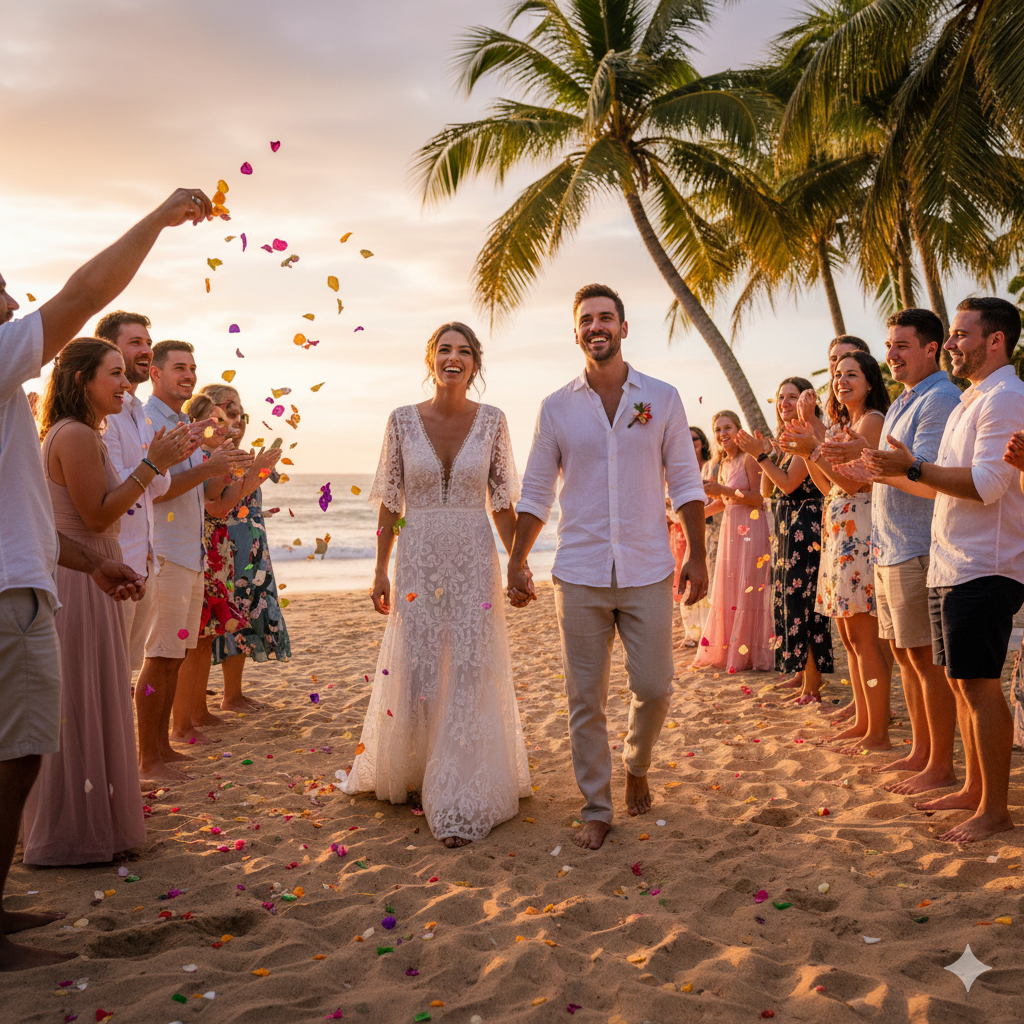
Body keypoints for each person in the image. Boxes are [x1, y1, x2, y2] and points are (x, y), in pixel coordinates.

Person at [0, 186, 212, 971]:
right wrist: (157, 219)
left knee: (35, 736)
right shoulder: (67, 428)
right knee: (30, 741)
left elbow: (51, 521)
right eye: (120, 370)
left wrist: (97, 560)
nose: (14, 299)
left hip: (54, 576)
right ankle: (35, 868)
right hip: (25, 592)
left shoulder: (51, 425)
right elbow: (83, 295)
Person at [508, 284, 708, 852]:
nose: (597, 327)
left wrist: (697, 552)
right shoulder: (556, 407)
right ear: (576, 333)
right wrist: (518, 559)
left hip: (649, 567)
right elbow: (537, 491)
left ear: (623, 327)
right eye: (586, 320)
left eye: (606, 318)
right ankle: (597, 805)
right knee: (584, 698)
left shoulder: (663, 399)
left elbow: (686, 481)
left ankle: (636, 762)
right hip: (580, 570)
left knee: (655, 687)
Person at [341, 322, 531, 848]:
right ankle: (415, 769)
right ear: (431, 359)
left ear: (475, 364)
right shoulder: (401, 420)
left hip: (473, 555)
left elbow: (500, 503)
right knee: (419, 663)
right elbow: (390, 502)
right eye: (444, 350)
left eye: (464, 351)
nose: (454, 358)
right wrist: (380, 567)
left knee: (471, 662)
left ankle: (461, 785)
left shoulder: (493, 421)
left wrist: (517, 562)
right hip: (418, 555)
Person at [22, 338, 192, 866]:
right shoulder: (73, 435)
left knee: (93, 697)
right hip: (77, 582)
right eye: (114, 374)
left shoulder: (83, 434)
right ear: (82, 382)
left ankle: (93, 825)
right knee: (79, 704)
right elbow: (98, 516)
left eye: (125, 374)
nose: (124, 384)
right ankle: (71, 833)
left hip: (92, 572)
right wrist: (151, 464)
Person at [863, 298, 1024, 842]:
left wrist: (909, 465)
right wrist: (902, 468)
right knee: (959, 684)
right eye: (952, 335)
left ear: (995, 339)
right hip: (951, 562)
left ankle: (995, 809)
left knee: (980, 686)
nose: (952, 343)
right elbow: (936, 480)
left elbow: (985, 484)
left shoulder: (1006, 396)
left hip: (985, 563)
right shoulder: (972, 399)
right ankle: (976, 792)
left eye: (960, 334)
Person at [822, 309, 961, 793]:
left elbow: (926, 478)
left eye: (903, 346)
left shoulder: (939, 399)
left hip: (918, 545)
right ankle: (921, 752)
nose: (892, 354)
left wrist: (868, 466)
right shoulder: (907, 399)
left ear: (931, 349)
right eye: (890, 346)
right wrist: (850, 462)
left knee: (925, 662)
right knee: (906, 658)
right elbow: (880, 472)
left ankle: (939, 763)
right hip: (889, 545)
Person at [137, 342, 248, 779]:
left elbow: (209, 501)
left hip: (192, 551)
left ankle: (162, 747)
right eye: (178, 367)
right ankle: (147, 756)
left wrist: (227, 467)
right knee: (159, 655)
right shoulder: (149, 421)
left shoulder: (187, 424)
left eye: (192, 368)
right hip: (164, 551)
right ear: (156, 375)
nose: (188, 374)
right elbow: (155, 487)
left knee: (175, 656)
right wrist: (207, 467)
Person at [784, 351, 892, 752]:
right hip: (838, 524)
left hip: (861, 528)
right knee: (848, 636)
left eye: (851, 374)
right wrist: (806, 453)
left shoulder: (874, 421)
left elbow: (856, 485)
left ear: (869, 382)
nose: (841, 380)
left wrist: (813, 448)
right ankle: (864, 721)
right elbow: (829, 487)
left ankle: (878, 731)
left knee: (864, 637)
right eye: (837, 374)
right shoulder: (845, 423)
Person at [95, 310, 198, 674]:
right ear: (108, 349)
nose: (146, 350)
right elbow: (113, 493)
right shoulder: (105, 414)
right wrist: (157, 462)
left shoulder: (136, 409)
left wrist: (165, 460)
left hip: (144, 561)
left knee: (129, 669)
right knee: (109, 671)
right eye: (135, 342)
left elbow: (155, 487)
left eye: (148, 343)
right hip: (115, 564)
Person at [171, 393, 271, 741]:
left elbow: (225, 501)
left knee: (208, 633)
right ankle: (184, 720)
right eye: (217, 420)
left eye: (226, 420)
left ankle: (196, 712)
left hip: (216, 550)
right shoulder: (194, 458)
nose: (227, 425)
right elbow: (216, 507)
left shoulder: (211, 458)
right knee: (194, 639)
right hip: (202, 547)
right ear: (195, 423)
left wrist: (257, 475)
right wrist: (235, 468)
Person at [737, 378, 833, 701]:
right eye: (781, 397)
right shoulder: (785, 439)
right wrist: (764, 452)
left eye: (793, 397)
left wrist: (761, 457)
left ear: (809, 401)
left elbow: (790, 484)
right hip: (785, 527)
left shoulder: (806, 436)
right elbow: (767, 490)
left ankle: (813, 685)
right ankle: (803, 677)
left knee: (804, 604)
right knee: (789, 604)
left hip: (807, 526)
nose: (785, 403)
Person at [207, 391, 291, 709]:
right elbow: (220, 502)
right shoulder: (218, 456)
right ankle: (226, 696)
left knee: (246, 613)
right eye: (228, 410)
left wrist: (260, 466)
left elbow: (271, 484)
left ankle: (233, 693)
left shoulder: (243, 455)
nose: (236, 418)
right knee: (230, 614)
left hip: (253, 543)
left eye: (241, 412)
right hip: (228, 544)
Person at [692, 409, 773, 672]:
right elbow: (723, 502)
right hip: (731, 529)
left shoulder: (748, 458)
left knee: (749, 586)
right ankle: (730, 649)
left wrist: (722, 490)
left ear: (738, 429)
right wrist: (694, 517)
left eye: (727, 428)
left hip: (751, 529)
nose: (722, 434)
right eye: (717, 429)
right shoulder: (723, 463)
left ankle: (750, 653)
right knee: (731, 587)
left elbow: (759, 498)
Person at [668, 428, 712, 647]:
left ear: (702, 441)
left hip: (703, 528)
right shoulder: (673, 469)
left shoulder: (710, 467)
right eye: (686, 439)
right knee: (681, 580)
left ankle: (706, 630)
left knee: (703, 578)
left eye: (694, 438)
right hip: (677, 531)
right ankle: (691, 632)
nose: (691, 442)